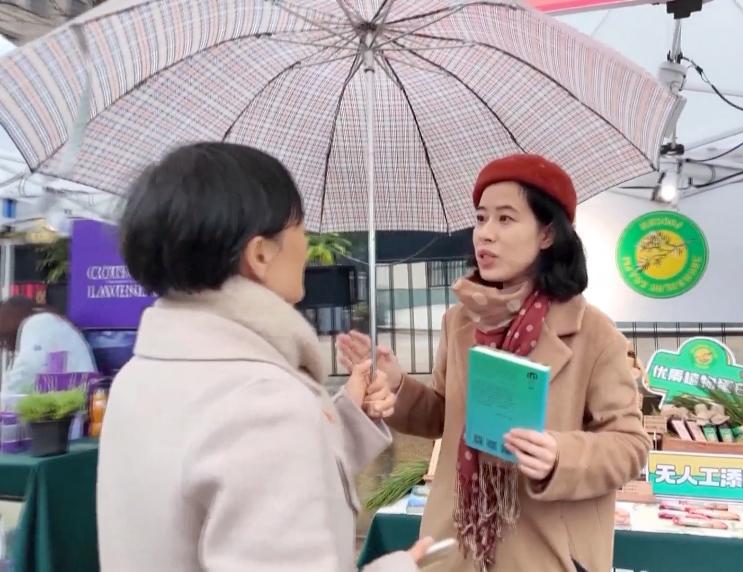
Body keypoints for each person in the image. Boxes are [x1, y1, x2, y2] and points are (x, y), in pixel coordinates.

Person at [96, 143, 430, 572]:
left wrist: (346, 416)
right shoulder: (264, 401)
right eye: (300, 229)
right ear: (260, 254)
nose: (306, 246)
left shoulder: (139, 376)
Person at [340, 154, 651, 572]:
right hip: (455, 548)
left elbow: (630, 445)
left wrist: (560, 456)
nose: (485, 233)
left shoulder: (593, 333)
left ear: (547, 233)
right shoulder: (460, 321)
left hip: (543, 553)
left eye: (505, 219)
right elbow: (443, 417)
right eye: (481, 218)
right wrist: (396, 385)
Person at [0, 296, 96, 398]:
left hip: (77, 397)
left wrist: (5, 395)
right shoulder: (48, 322)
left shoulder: (38, 323)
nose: (4, 345)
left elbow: (27, 369)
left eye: (3, 337)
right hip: (74, 395)